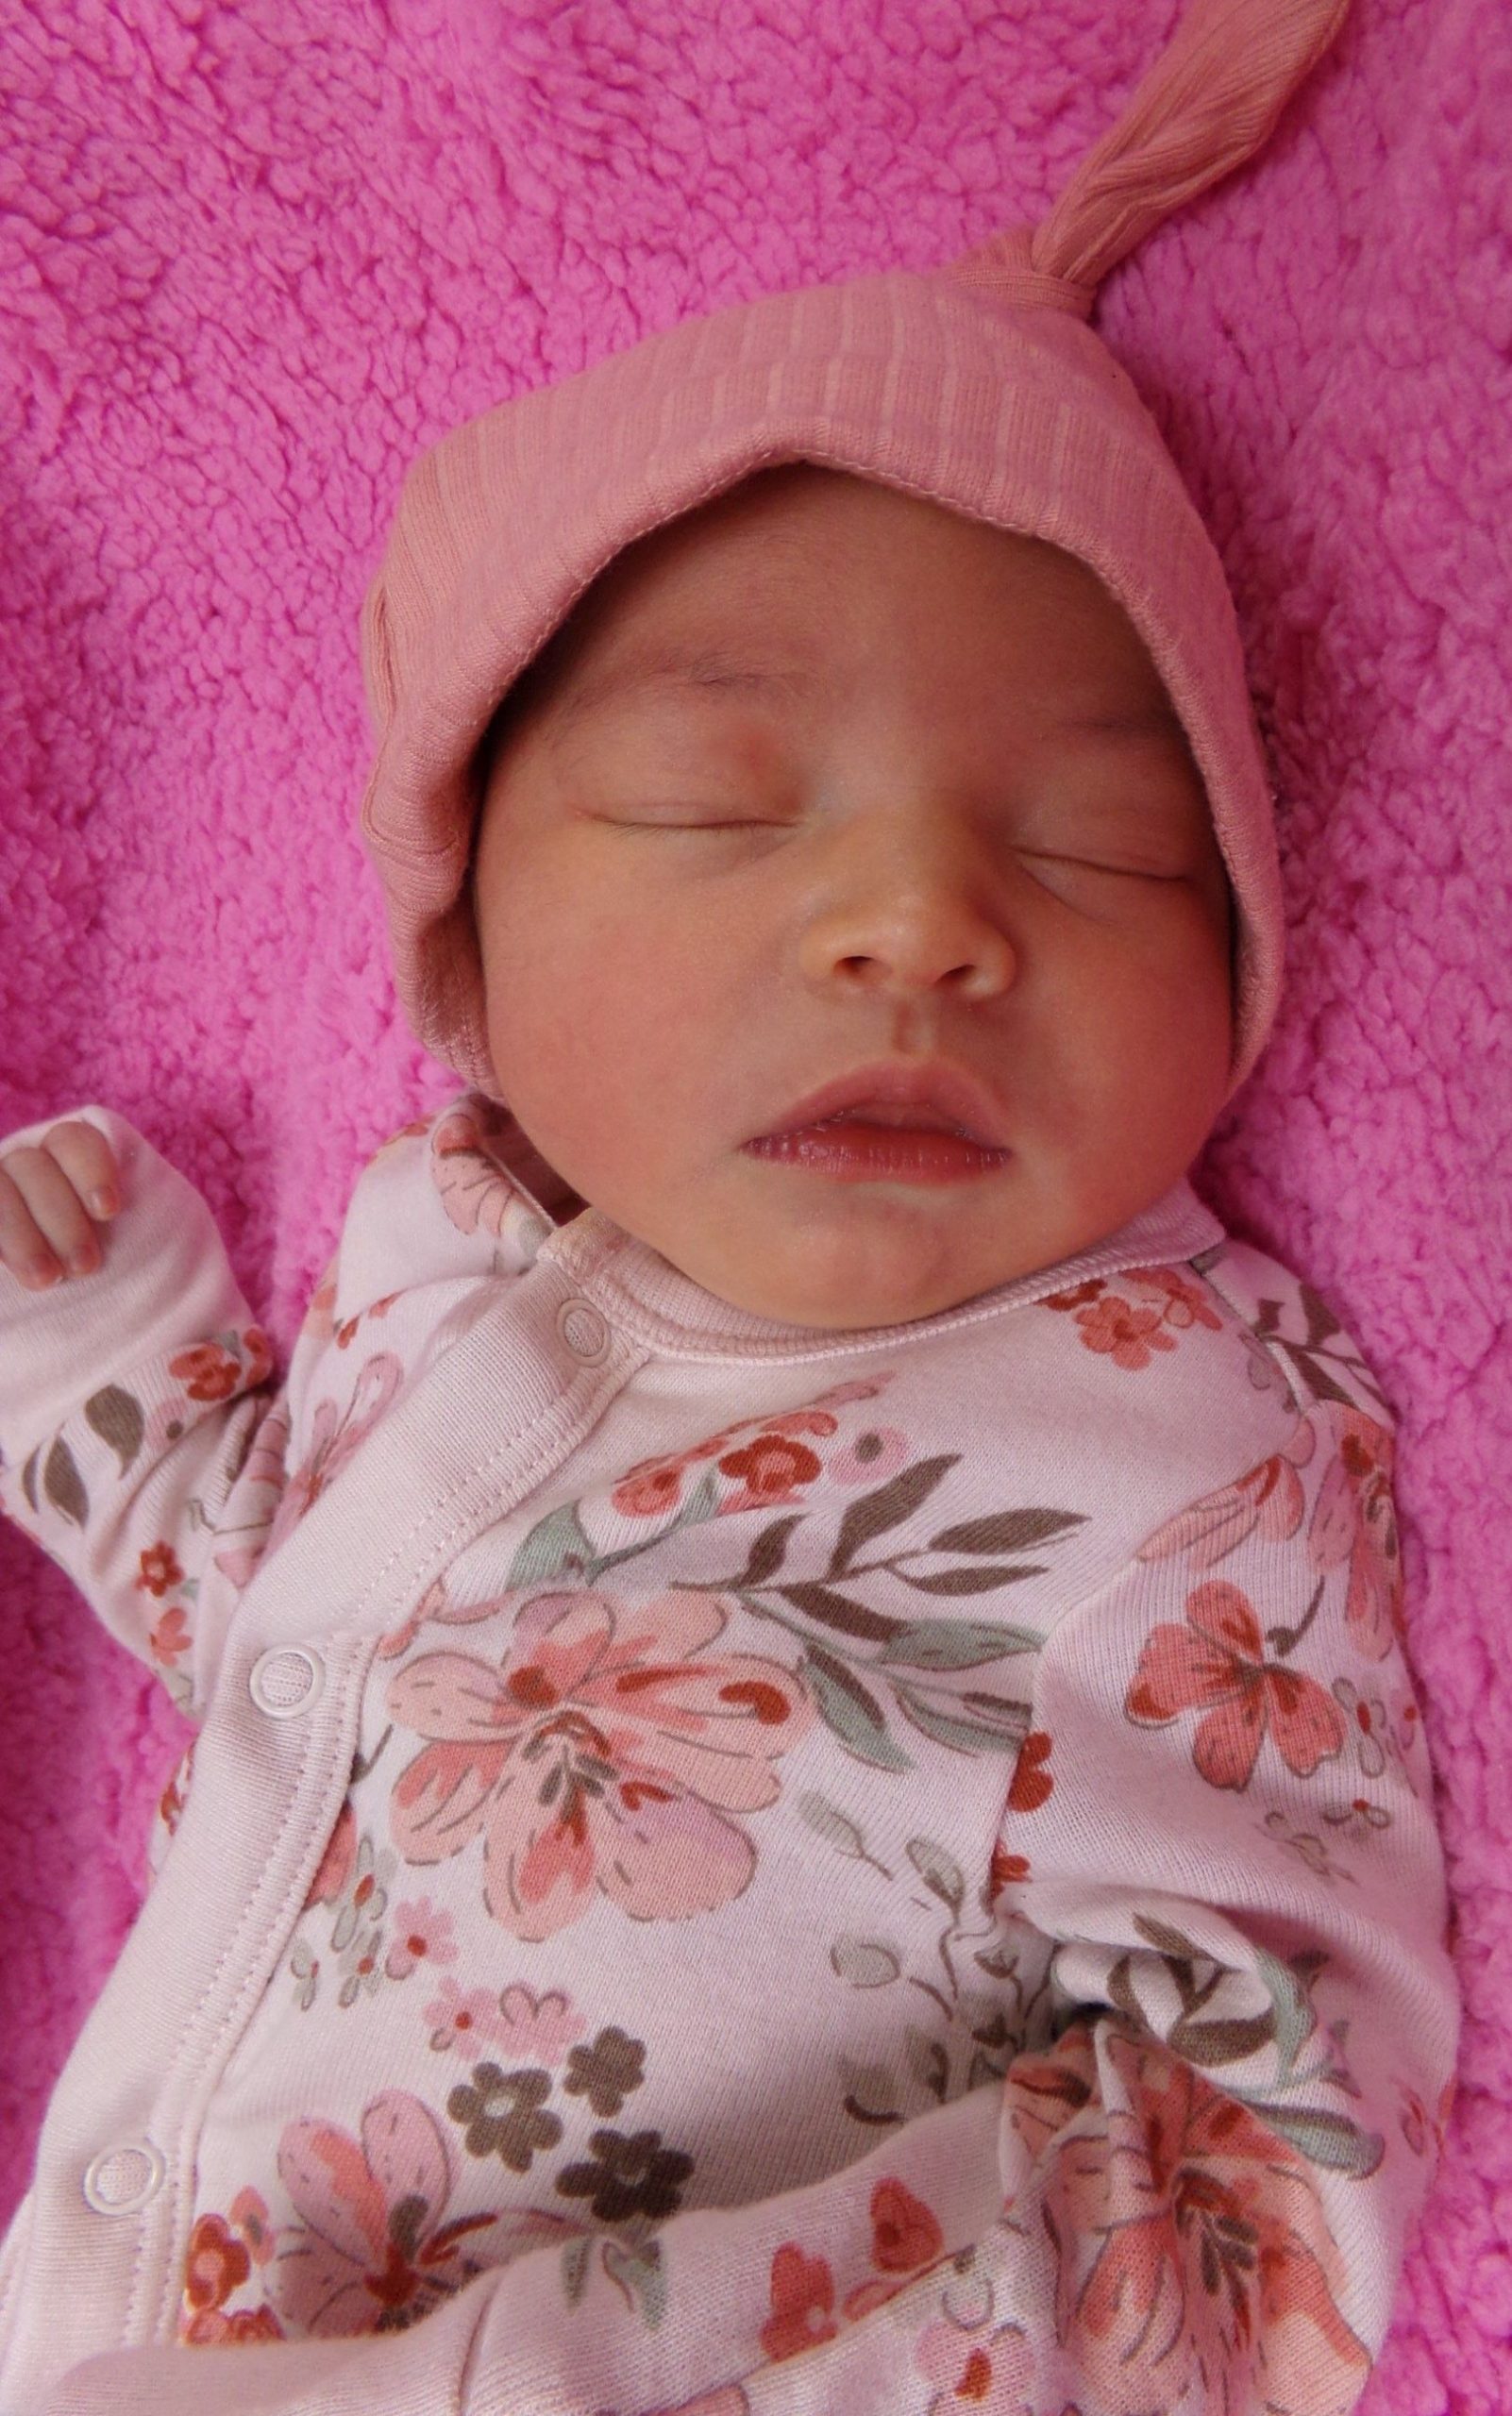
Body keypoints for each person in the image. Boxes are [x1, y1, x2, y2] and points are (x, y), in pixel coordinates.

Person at [0, 1, 1458, 2410]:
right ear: (470, 955)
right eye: (713, 804)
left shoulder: (1178, 1450)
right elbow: (313, 1659)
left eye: (1104, 843)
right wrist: (115, 1388)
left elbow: (1258, 2163)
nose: (916, 920)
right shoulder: (442, 1240)